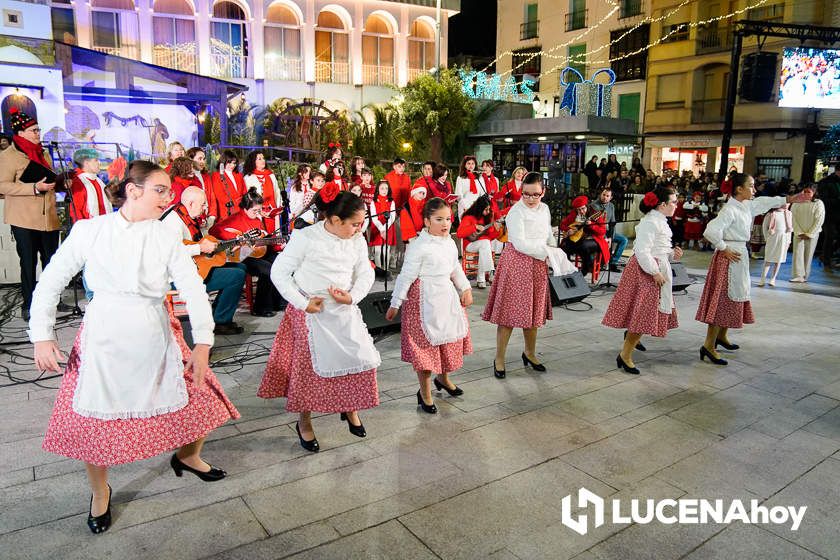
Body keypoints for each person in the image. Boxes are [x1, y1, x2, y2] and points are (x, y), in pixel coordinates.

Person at [31, 161, 239, 535]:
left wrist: (204, 342)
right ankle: (99, 492)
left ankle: (189, 456)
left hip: (153, 327)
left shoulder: (165, 236)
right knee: (95, 421)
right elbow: (50, 282)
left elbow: (192, 288)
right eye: (161, 189)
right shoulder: (89, 230)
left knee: (201, 393)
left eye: (169, 190)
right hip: (104, 333)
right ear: (133, 189)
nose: (169, 196)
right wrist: (42, 335)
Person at [258, 187, 380, 451]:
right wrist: (303, 303)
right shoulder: (306, 237)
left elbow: (365, 272)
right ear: (335, 220)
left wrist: (353, 296)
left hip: (343, 309)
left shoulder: (357, 240)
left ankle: (349, 406)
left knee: (359, 358)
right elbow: (279, 273)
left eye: (362, 223)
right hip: (310, 312)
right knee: (308, 371)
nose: (359, 229)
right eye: (355, 224)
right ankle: (304, 421)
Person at [695, 173, 811, 365]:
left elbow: (766, 202)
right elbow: (710, 230)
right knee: (722, 300)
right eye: (751, 186)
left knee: (737, 295)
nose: (754, 189)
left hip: (739, 254)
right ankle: (708, 345)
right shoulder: (730, 209)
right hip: (730, 256)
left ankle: (721, 336)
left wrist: (792, 198)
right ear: (739, 189)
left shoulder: (747, 205)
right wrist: (724, 248)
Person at [385, 197, 473, 413]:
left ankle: (443, 379)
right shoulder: (418, 246)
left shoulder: (450, 242)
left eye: (448, 219)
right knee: (426, 349)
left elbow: (455, 268)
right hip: (423, 298)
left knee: (447, 342)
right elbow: (406, 276)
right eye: (439, 219)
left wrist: (465, 288)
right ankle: (424, 393)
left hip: (446, 296)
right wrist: (396, 302)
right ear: (426, 221)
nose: (445, 224)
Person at [483, 172, 568, 378]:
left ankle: (529, 353)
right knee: (509, 314)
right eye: (526, 194)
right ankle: (499, 359)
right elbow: (520, 243)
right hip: (517, 263)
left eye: (535, 195)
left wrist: (553, 248)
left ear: (543, 192)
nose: (530, 199)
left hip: (538, 264)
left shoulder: (545, 208)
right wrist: (546, 253)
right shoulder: (516, 211)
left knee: (533, 313)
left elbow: (548, 233)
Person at [603, 188, 683, 374]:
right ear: (662, 205)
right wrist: (655, 271)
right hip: (645, 271)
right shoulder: (651, 222)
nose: (676, 205)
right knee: (642, 314)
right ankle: (625, 355)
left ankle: (628, 349)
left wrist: (672, 254)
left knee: (644, 314)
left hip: (654, 267)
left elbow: (658, 249)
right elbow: (641, 250)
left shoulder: (660, 220)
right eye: (673, 202)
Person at [0, 107, 61, 321]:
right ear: (21, 133)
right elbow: (3, 186)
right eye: (34, 130)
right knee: (28, 263)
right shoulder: (8, 156)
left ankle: (53, 300)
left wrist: (61, 183)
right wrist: (34, 188)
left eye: (38, 129)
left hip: (48, 217)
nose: (38, 133)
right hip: (23, 218)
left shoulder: (42, 152)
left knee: (52, 262)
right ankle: (29, 303)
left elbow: (48, 179)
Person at [161, 186, 246, 335]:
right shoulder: (173, 222)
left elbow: (200, 242)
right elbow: (171, 252)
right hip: (177, 278)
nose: (206, 207)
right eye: (203, 204)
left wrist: (224, 246)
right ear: (191, 203)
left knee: (241, 267)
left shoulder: (185, 216)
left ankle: (217, 316)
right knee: (236, 276)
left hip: (193, 267)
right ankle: (221, 321)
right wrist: (200, 249)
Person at [210, 188, 285, 317]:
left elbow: (260, 239)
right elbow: (214, 230)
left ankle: (277, 302)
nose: (258, 213)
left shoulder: (256, 219)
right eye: (255, 211)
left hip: (256, 252)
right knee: (268, 270)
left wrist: (274, 242)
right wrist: (238, 239)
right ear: (245, 208)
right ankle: (261, 307)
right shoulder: (235, 218)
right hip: (242, 256)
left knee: (280, 262)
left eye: (259, 210)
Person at [457, 195, 502, 288]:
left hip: (483, 245)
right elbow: (459, 234)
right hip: (470, 245)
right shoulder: (468, 217)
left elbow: (490, 237)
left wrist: (496, 230)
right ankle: (490, 273)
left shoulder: (487, 218)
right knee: (485, 244)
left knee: (485, 244)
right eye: (486, 209)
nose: (488, 212)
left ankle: (481, 279)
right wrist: (474, 227)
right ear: (479, 208)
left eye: (489, 209)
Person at [560, 195, 610, 277]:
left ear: (587, 206)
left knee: (583, 246)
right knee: (565, 245)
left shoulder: (595, 213)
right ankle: (567, 269)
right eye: (579, 210)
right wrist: (569, 229)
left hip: (595, 239)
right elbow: (562, 225)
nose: (581, 211)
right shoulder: (574, 214)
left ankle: (584, 270)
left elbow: (602, 231)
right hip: (579, 238)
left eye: (583, 208)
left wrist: (592, 225)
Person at [68, 148, 113, 223]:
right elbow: (75, 210)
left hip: (104, 226)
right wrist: (82, 228)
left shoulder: (98, 181)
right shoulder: (79, 182)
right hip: (90, 228)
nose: (99, 163)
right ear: (86, 163)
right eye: (95, 160)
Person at [790, 185, 825, 282]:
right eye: (804, 191)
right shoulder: (797, 202)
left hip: (812, 233)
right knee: (797, 253)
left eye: (808, 192)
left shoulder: (818, 203)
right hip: (799, 232)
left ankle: (805, 275)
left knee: (808, 254)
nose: (806, 194)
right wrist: (799, 231)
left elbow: (819, 219)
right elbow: (792, 217)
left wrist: (810, 233)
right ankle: (797, 275)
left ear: (814, 192)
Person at [590, 188, 627, 273]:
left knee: (624, 240)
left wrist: (610, 237)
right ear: (600, 194)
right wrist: (606, 237)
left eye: (607, 196)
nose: (605, 197)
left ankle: (613, 262)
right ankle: (602, 262)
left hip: (608, 231)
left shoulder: (611, 206)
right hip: (598, 232)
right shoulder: (594, 205)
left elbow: (612, 223)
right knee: (605, 242)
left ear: (611, 198)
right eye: (603, 195)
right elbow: (595, 225)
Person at [758, 204, 793, 287]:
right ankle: (763, 279)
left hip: (783, 238)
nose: (787, 205)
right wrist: (767, 238)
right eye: (785, 203)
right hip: (773, 238)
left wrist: (788, 240)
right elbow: (764, 227)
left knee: (779, 259)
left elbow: (790, 229)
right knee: (768, 259)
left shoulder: (788, 214)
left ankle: (773, 278)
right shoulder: (771, 214)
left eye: (788, 204)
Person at [209, 150, 246, 222]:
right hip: (226, 211)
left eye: (234, 163)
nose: (232, 165)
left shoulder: (239, 175)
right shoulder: (216, 175)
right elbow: (220, 195)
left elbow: (244, 191)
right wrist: (236, 202)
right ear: (223, 162)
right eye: (230, 163)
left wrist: (244, 203)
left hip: (241, 209)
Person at [369, 180, 397, 270]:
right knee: (377, 251)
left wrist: (385, 228)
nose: (384, 190)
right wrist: (381, 229)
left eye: (386, 188)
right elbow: (374, 217)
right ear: (378, 190)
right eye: (382, 188)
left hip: (388, 227)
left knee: (386, 250)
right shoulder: (373, 202)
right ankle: (379, 270)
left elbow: (392, 216)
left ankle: (386, 269)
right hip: (377, 227)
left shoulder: (391, 201)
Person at [816, 166, 840, 270]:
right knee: (830, 236)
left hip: (838, 213)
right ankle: (826, 259)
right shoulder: (826, 182)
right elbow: (823, 200)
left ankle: (826, 255)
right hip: (829, 214)